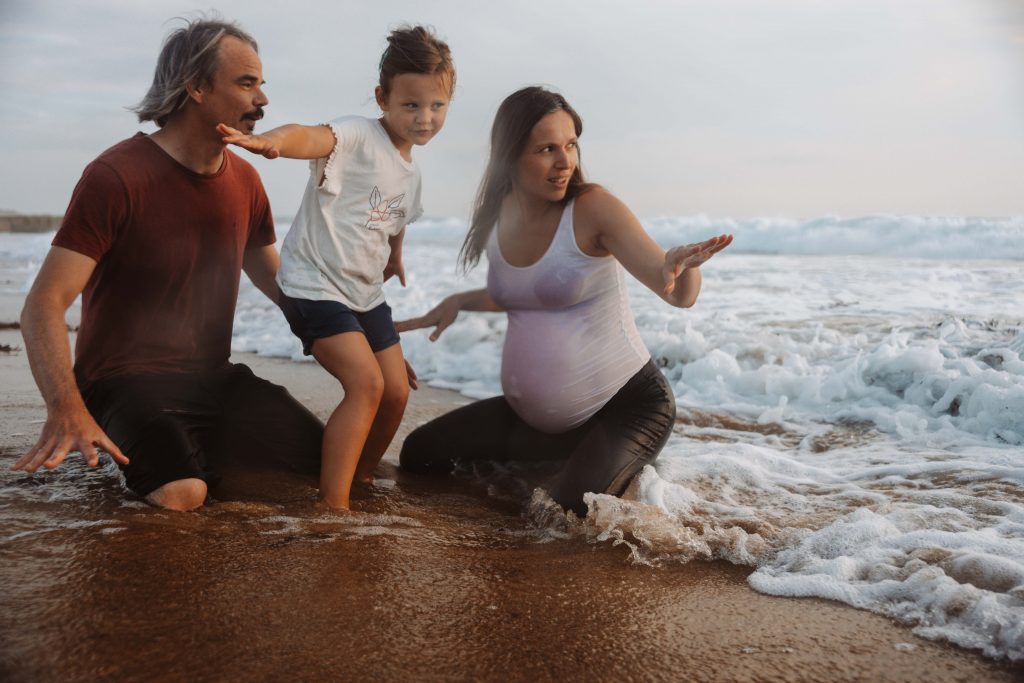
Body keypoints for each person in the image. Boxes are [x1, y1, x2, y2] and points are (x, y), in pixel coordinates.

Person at [10, 18, 324, 511]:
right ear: (196, 87)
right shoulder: (116, 176)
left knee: (334, 465)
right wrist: (65, 408)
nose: (262, 100)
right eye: (246, 83)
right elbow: (43, 305)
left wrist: (360, 343)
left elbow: (280, 281)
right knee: (184, 494)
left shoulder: (245, 181)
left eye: (261, 84)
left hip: (214, 379)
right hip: (122, 381)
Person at [396, 86, 732, 516]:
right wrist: (460, 301)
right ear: (509, 156)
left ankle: (611, 467)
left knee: (556, 515)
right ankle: (574, 459)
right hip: (537, 425)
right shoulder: (501, 211)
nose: (565, 162)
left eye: (571, 144)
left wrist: (683, 265)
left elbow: (676, 292)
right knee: (419, 455)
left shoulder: (592, 208)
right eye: (547, 149)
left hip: (627, 409)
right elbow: (528, 293)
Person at [216, 26, 455, 510]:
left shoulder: (413, 172)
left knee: (394, 394)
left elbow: (397, 217)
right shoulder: (358, 136)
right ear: (382, 98)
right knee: (365, 384)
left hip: (365, 293)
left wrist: (396, 255)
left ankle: (361, 478)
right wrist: (273, 142)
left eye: (436, 106)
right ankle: (333, 505)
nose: (424, 118)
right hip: (313, 285)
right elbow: (311, 135)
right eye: (410, 105)